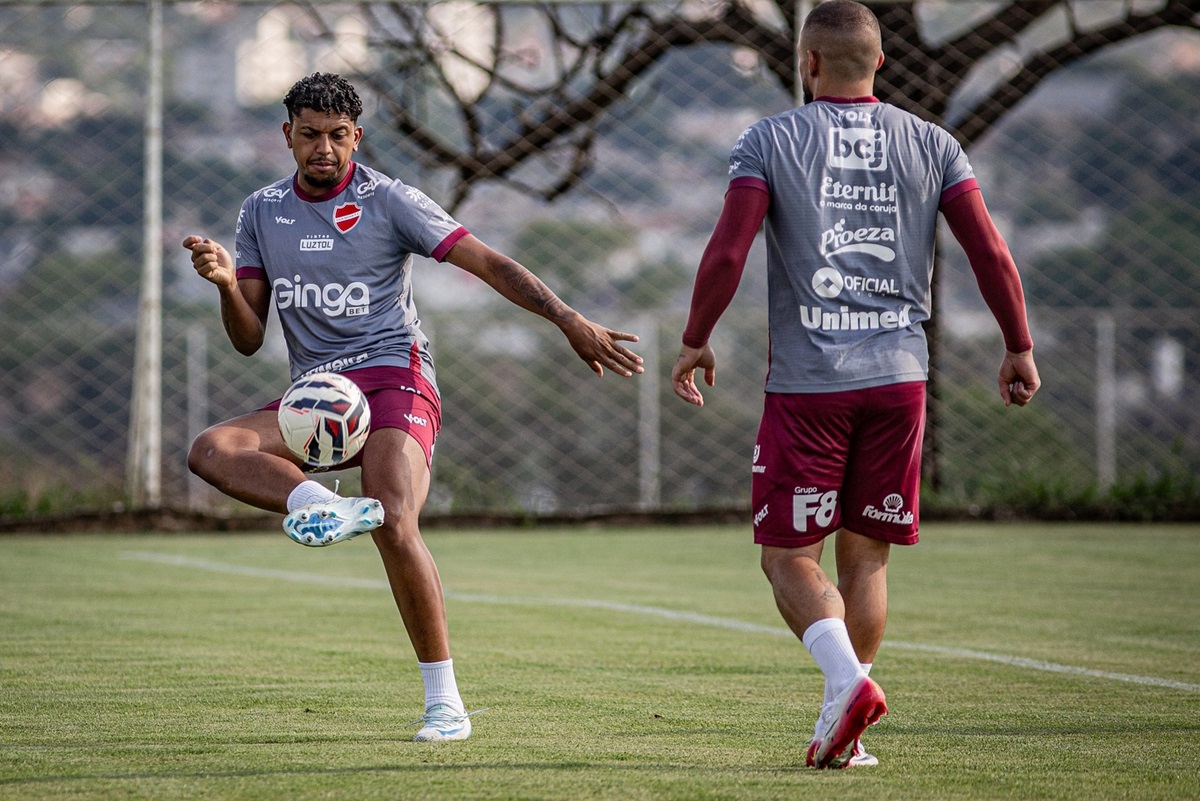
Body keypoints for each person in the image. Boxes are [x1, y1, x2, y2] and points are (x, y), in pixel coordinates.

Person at [183, 72, 644, 743]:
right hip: (316, 396)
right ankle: (321, 506)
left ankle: (445, 704)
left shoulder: (389, 200)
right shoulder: (261, 212)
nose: (324, 148)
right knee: (210, 449)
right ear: (287, 136)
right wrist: (227, 283)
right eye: (310, 135)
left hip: (393, 376)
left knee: (395, 519)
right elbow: (249, 336)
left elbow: (486, 262)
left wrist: (567, 317)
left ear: (356, 138)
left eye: (338, 136)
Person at [670, 0, 1039, 769]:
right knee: (865, 559)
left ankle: (847, 683)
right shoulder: (934, 142)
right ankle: (849, 729)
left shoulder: (770, 138)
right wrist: (1019, 345)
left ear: (807, 64)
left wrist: (696, 337)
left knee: (785, 556)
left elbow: (729, 252)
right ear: (880, 63)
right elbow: (991, 253)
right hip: (902, 379)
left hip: (811, 383)